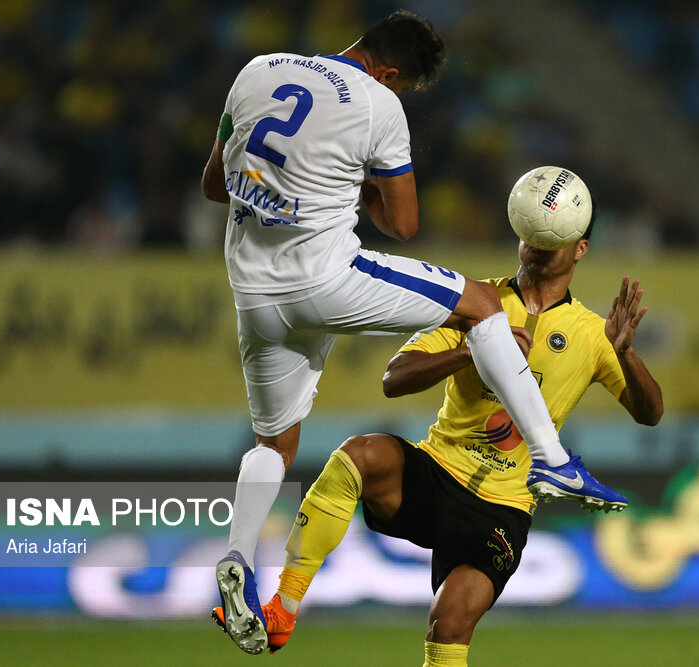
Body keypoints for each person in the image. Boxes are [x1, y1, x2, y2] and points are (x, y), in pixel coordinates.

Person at [201, 11, 626, 653]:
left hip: (254, 292)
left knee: (273, 445)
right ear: (391, 72)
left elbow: (214, 185)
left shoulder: (258, 71)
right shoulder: (377, 103)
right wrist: (363, 182)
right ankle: (555, 461)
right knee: (483, 305)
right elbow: (403, 225)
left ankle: (238, 559)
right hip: (322, 277)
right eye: (401, 88)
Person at [214, 200, 664, 662]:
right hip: (436, 472)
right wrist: (473, 350)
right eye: (532, 231)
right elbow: (395, 377)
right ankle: (283, 609)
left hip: (501, 507)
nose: (538, 243)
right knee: (360, 455)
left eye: (554, 237)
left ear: (580, 249)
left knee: (447, 624)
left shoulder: (592, 334)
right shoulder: (476, 304)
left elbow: (649, 413)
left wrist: (626, 353)